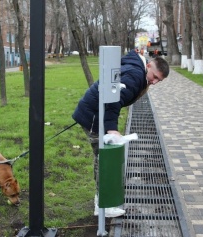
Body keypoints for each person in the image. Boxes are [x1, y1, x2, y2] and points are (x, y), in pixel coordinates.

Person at [72, 49, 169, 217]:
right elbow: (113, 100)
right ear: (148, 66)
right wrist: (112, 129)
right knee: (103, 159)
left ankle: (102, 202)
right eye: (154, 77)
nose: (154, 82)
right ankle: (102, 205)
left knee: (103, 157)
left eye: (158, 81)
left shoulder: (136, 69)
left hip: (94, 112)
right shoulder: (135, 76)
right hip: (94, 116)